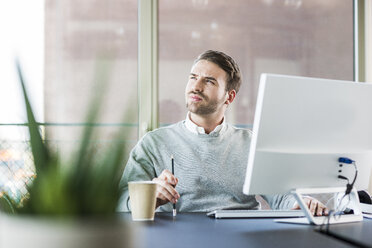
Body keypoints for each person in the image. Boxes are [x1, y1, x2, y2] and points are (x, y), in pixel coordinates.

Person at [118, 50, 327, 216]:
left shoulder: (251, 143)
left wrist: (302, 202)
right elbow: (119, 202)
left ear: (229, 97)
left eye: (209, 81)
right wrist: (149, 196)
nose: (196, 87)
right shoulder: (154, 143)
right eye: (193, 77)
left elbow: (282, 198)